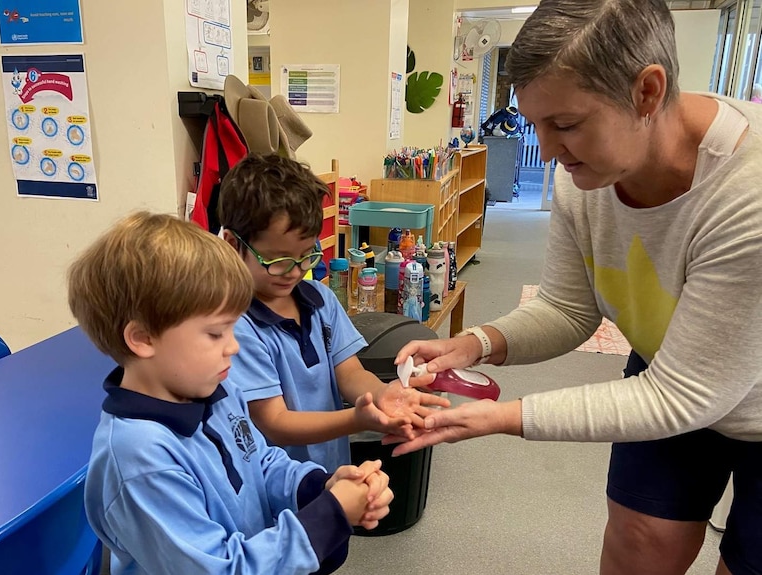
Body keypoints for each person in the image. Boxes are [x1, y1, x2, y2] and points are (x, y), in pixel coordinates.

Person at [390, 2, 762, 574]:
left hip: (735, 389)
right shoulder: (584, 179)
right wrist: (474, 345)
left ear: (647, 92)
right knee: (638, 540)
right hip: (671, 365)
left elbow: (683, 398)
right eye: (536, 123)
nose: (549, 149)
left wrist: (501, 417)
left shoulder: (747, 191)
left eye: (564, 125)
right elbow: (568, 309)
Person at [67, 212, 394, 575]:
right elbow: (222, 569)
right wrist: (330, 513)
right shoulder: (139, 459)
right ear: (143, 338)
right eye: (215, 334)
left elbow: (261, 462)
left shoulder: (217, 391)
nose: (233, 347)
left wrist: (319, 488)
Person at [218, 153, 448, 473]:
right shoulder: (235, 328)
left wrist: (382, 396)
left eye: (306, 255)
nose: (296, 271)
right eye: (278, 260)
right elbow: (275, 422)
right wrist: (355, 420)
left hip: (331, 472)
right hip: (276, 490)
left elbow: (350, 374)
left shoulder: (320, 299)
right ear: (232, 244)